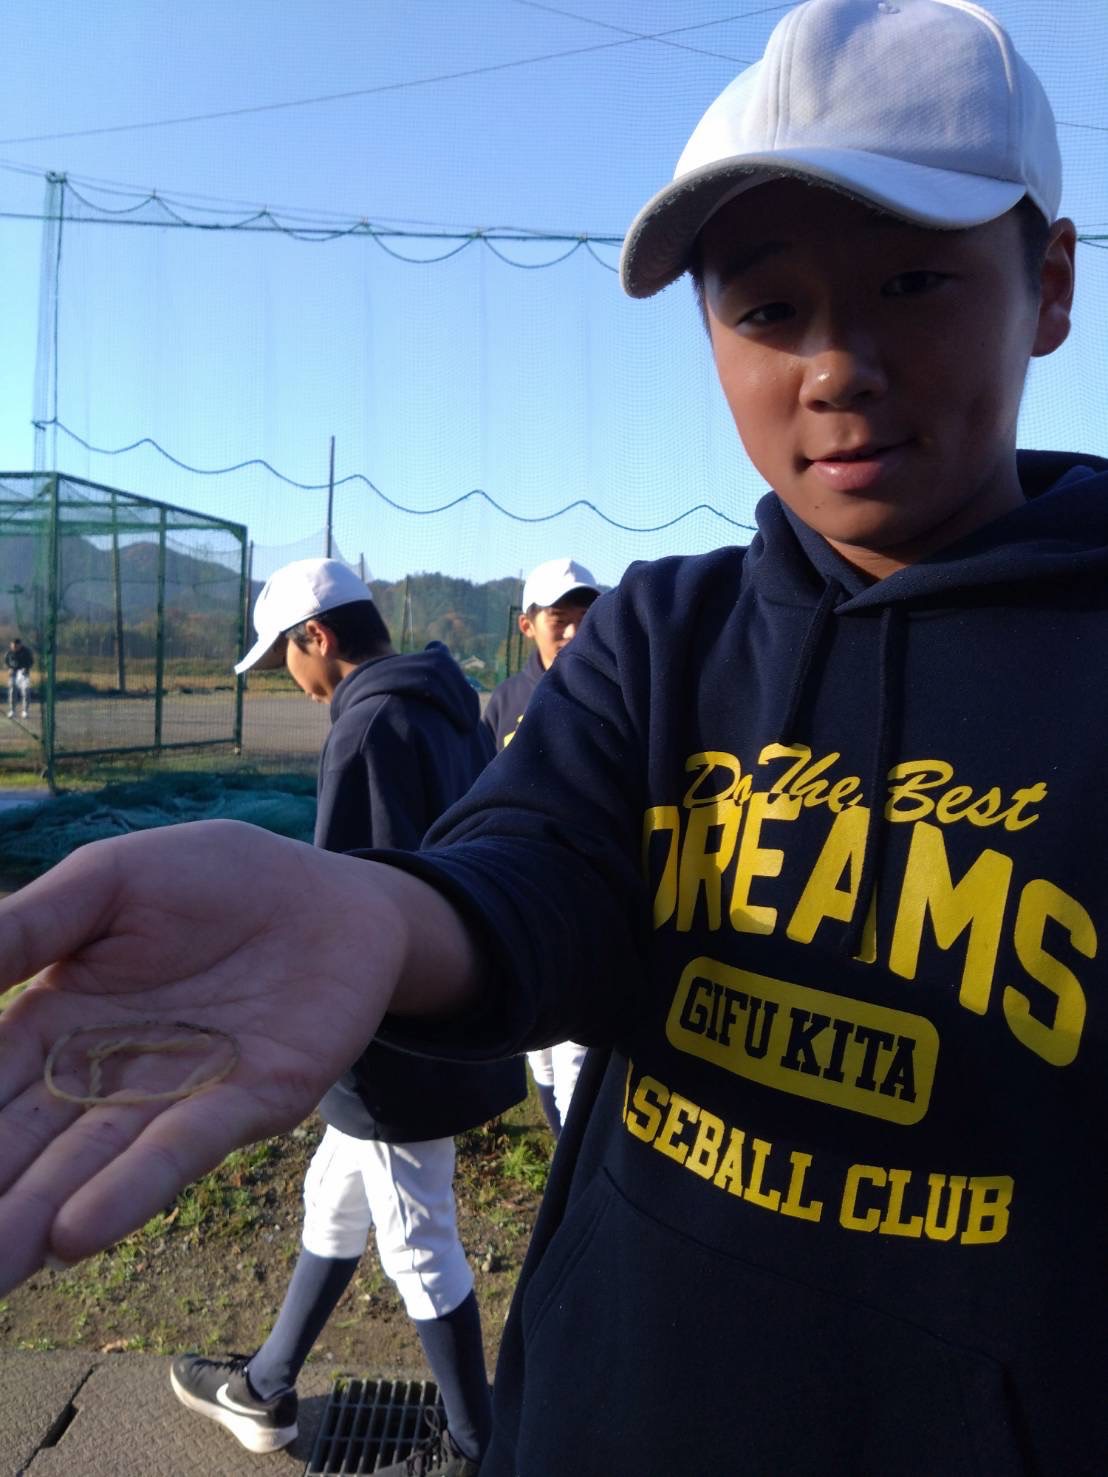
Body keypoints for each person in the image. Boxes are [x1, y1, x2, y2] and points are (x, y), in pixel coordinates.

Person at [1, 2, 1106, 1471]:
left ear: (1047, 285)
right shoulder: (664, 634)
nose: (834, 364)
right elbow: (534, 868)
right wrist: (371, 911)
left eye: (909, 280)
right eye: (766, 308)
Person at [168, 559, 525, 1475]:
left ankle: (474, 1446)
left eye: (283, 657)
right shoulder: (448, 701)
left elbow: (350, 918)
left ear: (316, 637)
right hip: (457, 1007)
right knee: (334, 1191)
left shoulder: (367, 727)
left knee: (418, 1237)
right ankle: (265, 1384)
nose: (290, 676)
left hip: (397, 1041)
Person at [483, 557, 599, 1137]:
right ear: (527, 625)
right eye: (559, 619)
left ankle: (575, 1165)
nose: (574, 630)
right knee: (542, 1055)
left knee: (577, 1049)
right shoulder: (507, 699)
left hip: (584, 899)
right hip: (519, 898)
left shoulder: (611, 688)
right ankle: (559, 1143)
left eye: (585, 616)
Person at [5, 636, 33, 719]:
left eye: (15, 646)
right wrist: (9, 668)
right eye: (12, 646)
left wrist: (26, 668)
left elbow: (31, 662)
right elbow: (6, 662)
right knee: (12, 691)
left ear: (20, 645)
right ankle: (12, 711)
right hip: (13, 673)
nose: (14, 648)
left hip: (23, 673)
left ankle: (25, 711)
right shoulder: (9, 653)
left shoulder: (26, 652)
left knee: (25, 691)